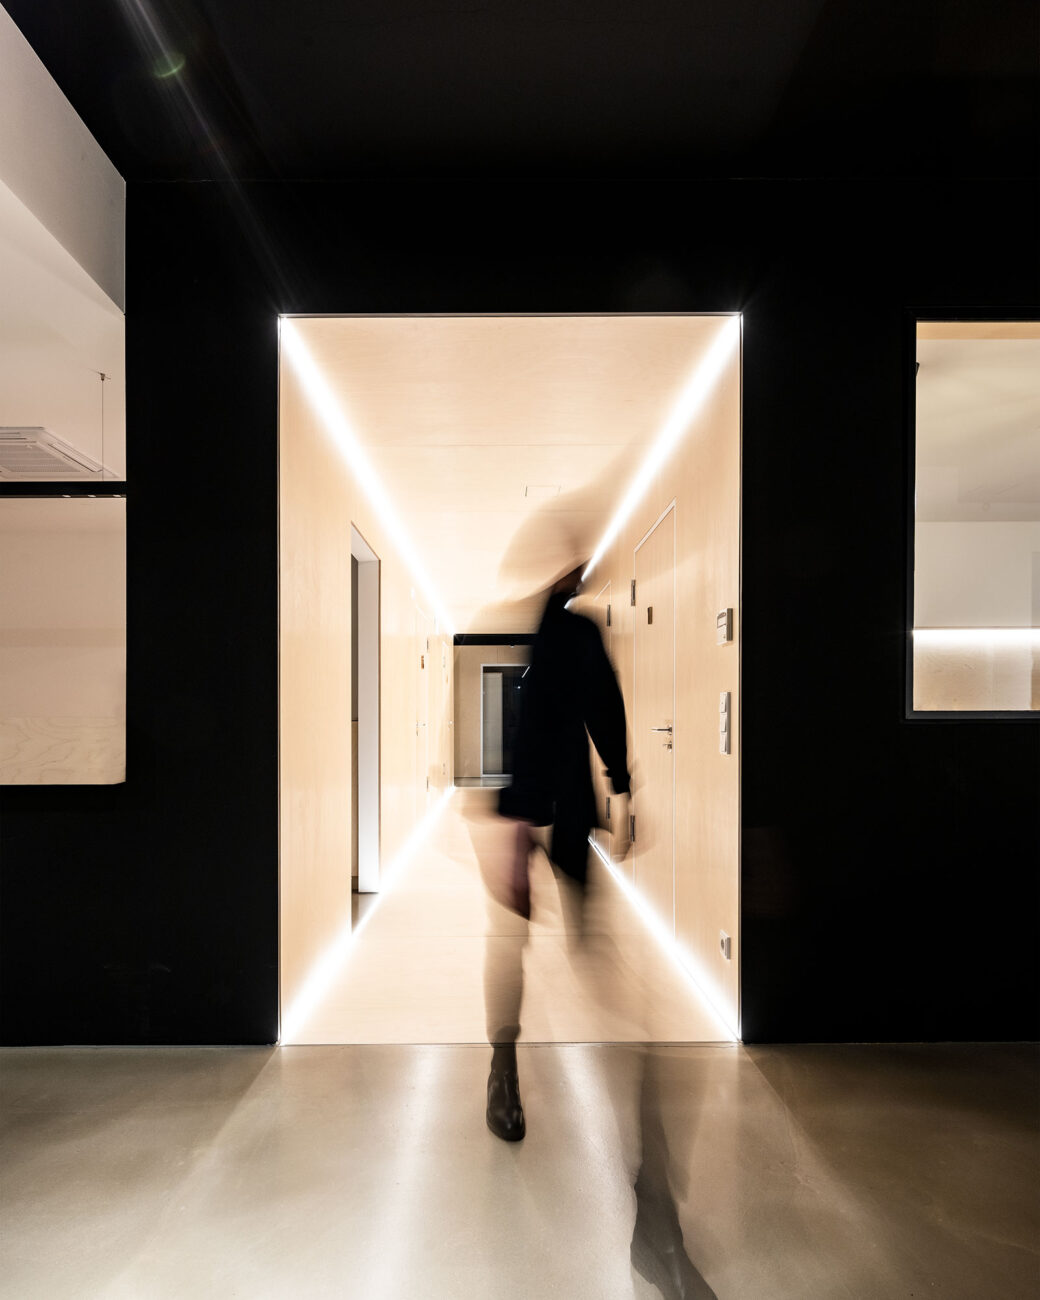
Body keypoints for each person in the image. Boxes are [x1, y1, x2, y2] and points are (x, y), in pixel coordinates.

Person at [485, 562, 631, 1141]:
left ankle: (622, 1079)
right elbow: (597, 710)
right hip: (527, 808)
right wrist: (619, 786)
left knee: (579, 935)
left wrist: (620, 785)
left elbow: (603, 707)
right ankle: (503, 1069)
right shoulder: (552, 627)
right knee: (512, 938)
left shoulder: (571, 632)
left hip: (560, 805)